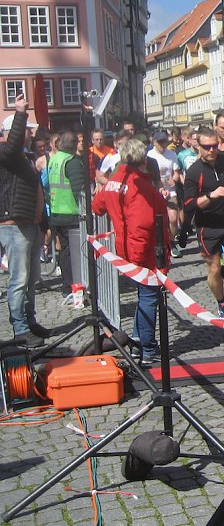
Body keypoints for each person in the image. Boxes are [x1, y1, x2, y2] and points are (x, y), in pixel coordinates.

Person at [92, 139, 171, 366]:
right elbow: (143, 225)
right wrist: (148, 257)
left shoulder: (115, 181)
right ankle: (146, 348)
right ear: (143, 159)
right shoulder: (141, 187)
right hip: (144, 250)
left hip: (126, 247)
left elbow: (97, 207)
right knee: (149, 296)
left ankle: (139, 343)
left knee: (143, 296)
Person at [0, 97, 50, 347]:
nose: (31, 133)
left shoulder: (23, 156)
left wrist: (43, 221)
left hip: (28, 223)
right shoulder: (5, 153)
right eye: (26, 129)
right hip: (13, 224)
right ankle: (20, 329)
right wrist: (20, 113)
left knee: (30, 279)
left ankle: (29, 322)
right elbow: (10, 148)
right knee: (19, 279)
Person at [183, 127, 224, 320]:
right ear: (198, 146)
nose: (211, 150)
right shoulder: (194, 172)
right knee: (213, 268)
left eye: (214, 146)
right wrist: (211, 195)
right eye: (207, 147)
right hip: (206, 226)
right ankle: (222, 303)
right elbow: (189, 205)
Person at [47, 130, 87, 296]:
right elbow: (80, 190)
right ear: (73, 145)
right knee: (74, 254)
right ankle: (75, 285)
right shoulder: (71, 161)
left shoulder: (54, 159)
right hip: (71, 213)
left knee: (64, 252)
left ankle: (67, 285)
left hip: (57, 211)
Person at [147, 130, 182, 258]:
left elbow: (177, 172)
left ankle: (172, 243)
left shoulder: (172, 154)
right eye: (160, 142)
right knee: (157, 220)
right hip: (155, 192)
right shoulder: (149, 156)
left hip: (170, 191)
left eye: (165, 142)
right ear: (154, 142)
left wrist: (174, 179)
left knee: (173, 219)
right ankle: (159, 244)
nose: (163, 145)